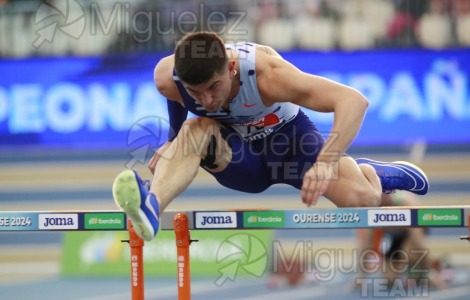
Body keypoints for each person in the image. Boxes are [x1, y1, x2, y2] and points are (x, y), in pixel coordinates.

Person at [112, 31, 429, 241]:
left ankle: (372, 173)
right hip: (238, 156)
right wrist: (171, 137)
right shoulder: (168, 78)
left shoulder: (269, 76)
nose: (206, 101)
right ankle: (151, 207)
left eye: (214, 87)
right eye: (197, 92)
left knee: (365, 200)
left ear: (232, 67)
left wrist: (327, 160)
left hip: (291, 144)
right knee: (195, 128)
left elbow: (353, 100)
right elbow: (179, 96)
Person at [355, 192, 448, 290]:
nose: (383, 199)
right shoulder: (373, 207)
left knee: (411, 252)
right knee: (389, 279)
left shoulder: (406, 203)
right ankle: (414, 272)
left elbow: (418, 243)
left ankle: (436, 267)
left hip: (410, 234)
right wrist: (360, 277)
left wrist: (432, 273)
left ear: (391, 194)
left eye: (385, 195)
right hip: (393, 236)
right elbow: (366, 243)